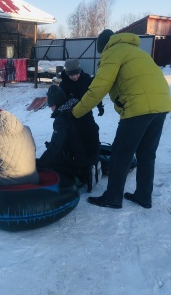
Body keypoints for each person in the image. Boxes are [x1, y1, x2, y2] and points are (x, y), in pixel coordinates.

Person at [71, 29, 171, 209]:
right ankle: (143, 196)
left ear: (104, 46)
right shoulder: (137, 51)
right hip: (162, 103)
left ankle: (113, 197)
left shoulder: (112, 52)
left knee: (120, 154)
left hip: (139, 106)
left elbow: (98, 88)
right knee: (146, 154)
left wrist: (75, 112)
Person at [36, 85, 100, 191]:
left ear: (55, 104)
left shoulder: (62, 119)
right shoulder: (80, 108)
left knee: (51, 163)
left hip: (81, 160)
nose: (50, 109)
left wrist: (40, 163)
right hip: (94, 153)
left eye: (50, 105)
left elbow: (56, 147)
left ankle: (79, 175)